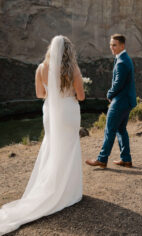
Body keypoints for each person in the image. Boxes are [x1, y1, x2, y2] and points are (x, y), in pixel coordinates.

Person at [0, 35, 85, 235]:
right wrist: (69, 93)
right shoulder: (73, 69)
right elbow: (81, 96)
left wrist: (54, 94)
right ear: (68, 51)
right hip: (69, 112)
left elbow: (40, 95)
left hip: (51, 112)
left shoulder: (40, 68)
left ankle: (51, 186)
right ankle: (68, 191)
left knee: (52, 146)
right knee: (69, 148)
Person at [86, 34, 137, 169]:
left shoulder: (121, 62)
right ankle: (126, 159)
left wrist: (109, 94)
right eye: (110, 45)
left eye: (114, 45)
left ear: (122, 46)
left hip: (120, 101)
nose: (111, 47)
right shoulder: (124, 58)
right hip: (126, 101)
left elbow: (118, 83)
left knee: (110, 130)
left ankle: (102, 159)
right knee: (121, 129)